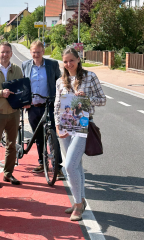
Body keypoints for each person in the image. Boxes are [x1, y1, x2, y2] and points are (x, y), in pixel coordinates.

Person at [55, 47, 106, 221]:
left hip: (83, 123)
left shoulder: (90, 76)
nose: (69, 64)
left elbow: (102, 99)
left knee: (69, 165)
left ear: (78, 59)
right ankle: (80, 200)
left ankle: (77, 205)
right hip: (65, 124)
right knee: (76, 166)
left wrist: (86, 99)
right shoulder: (60, 81)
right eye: (66, 61)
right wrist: (57, 125)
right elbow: (56, 105)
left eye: (71, 60)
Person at [21, 40, 64, 179]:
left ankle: (58, 167)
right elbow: (23, 85)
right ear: (30, 52)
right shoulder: (25, 65)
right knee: (38, 137)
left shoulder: (52, 65)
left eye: (38, 52)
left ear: (43, 52)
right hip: (33, 107)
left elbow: (60, 82)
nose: (36, 54)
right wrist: (24, 101)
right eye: (34, 52)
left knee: (52, 135)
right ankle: (42, 162)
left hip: (49, 105)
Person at [0, 42, 23, 187]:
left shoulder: (17, 70)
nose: (5, 55)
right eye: (2, 52)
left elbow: (22, 89)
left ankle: (8, 173)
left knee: (12, 145)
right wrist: (0, 93)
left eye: (7, 52)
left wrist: (25, 100)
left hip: (14, 113)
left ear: (11, 53)